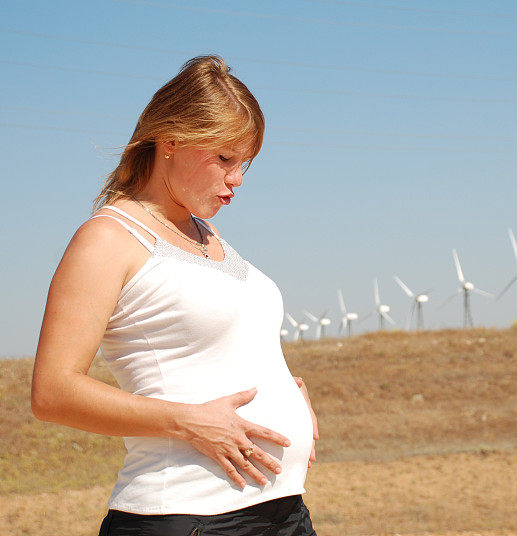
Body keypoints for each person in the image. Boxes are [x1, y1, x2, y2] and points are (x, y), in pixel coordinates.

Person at [30, 55, 319, 536]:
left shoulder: (210, 238)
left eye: (245, 163)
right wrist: (190, 423)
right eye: (224, 158)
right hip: (190, 518)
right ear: (171, 140)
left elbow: (220, 347)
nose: (238, 179)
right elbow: (53, 392)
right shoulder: (108, 238)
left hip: (283, 514)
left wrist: (289, 390)